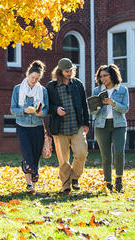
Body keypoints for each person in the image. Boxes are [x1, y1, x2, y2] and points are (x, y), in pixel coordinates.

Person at [46, 58, 90, 194]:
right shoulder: (51, 87)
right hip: (59, 128)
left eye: (71, 70)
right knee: (63, 160)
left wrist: (86, 123)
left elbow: (84, 104)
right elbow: (47, 107)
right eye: (66, 71)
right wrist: (56, 110)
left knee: (82, 153)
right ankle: (65, 186)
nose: (69, 73)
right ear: (60, 71)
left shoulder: (77, 84)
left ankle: (75, 177)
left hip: (76, 125)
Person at [10, 60, 49, 193]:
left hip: (37, 126)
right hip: (22, 126)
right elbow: (12, 109)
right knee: (27, 155)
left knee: (36, 155)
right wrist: (24, 110)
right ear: (28, 75)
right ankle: (29, 182)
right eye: (32, 77)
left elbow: (46, 110)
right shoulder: (17, 89)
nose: (33, 80)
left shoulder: (42, 91)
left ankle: (33, 184)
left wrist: (39, 112)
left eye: (37, 79)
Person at [92, 64, 129, 192]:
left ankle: (119, 180)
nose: (103, 78)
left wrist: (113, 103)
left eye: (105, 75)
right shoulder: (97, 91)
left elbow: (125, 108)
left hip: (118, 125)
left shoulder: (123, 90)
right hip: (102, 126)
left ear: (112, 75)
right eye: (101, 76)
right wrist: (98, 106)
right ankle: (108, 183)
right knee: (106, 156)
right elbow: (92, 112)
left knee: (119, 152)